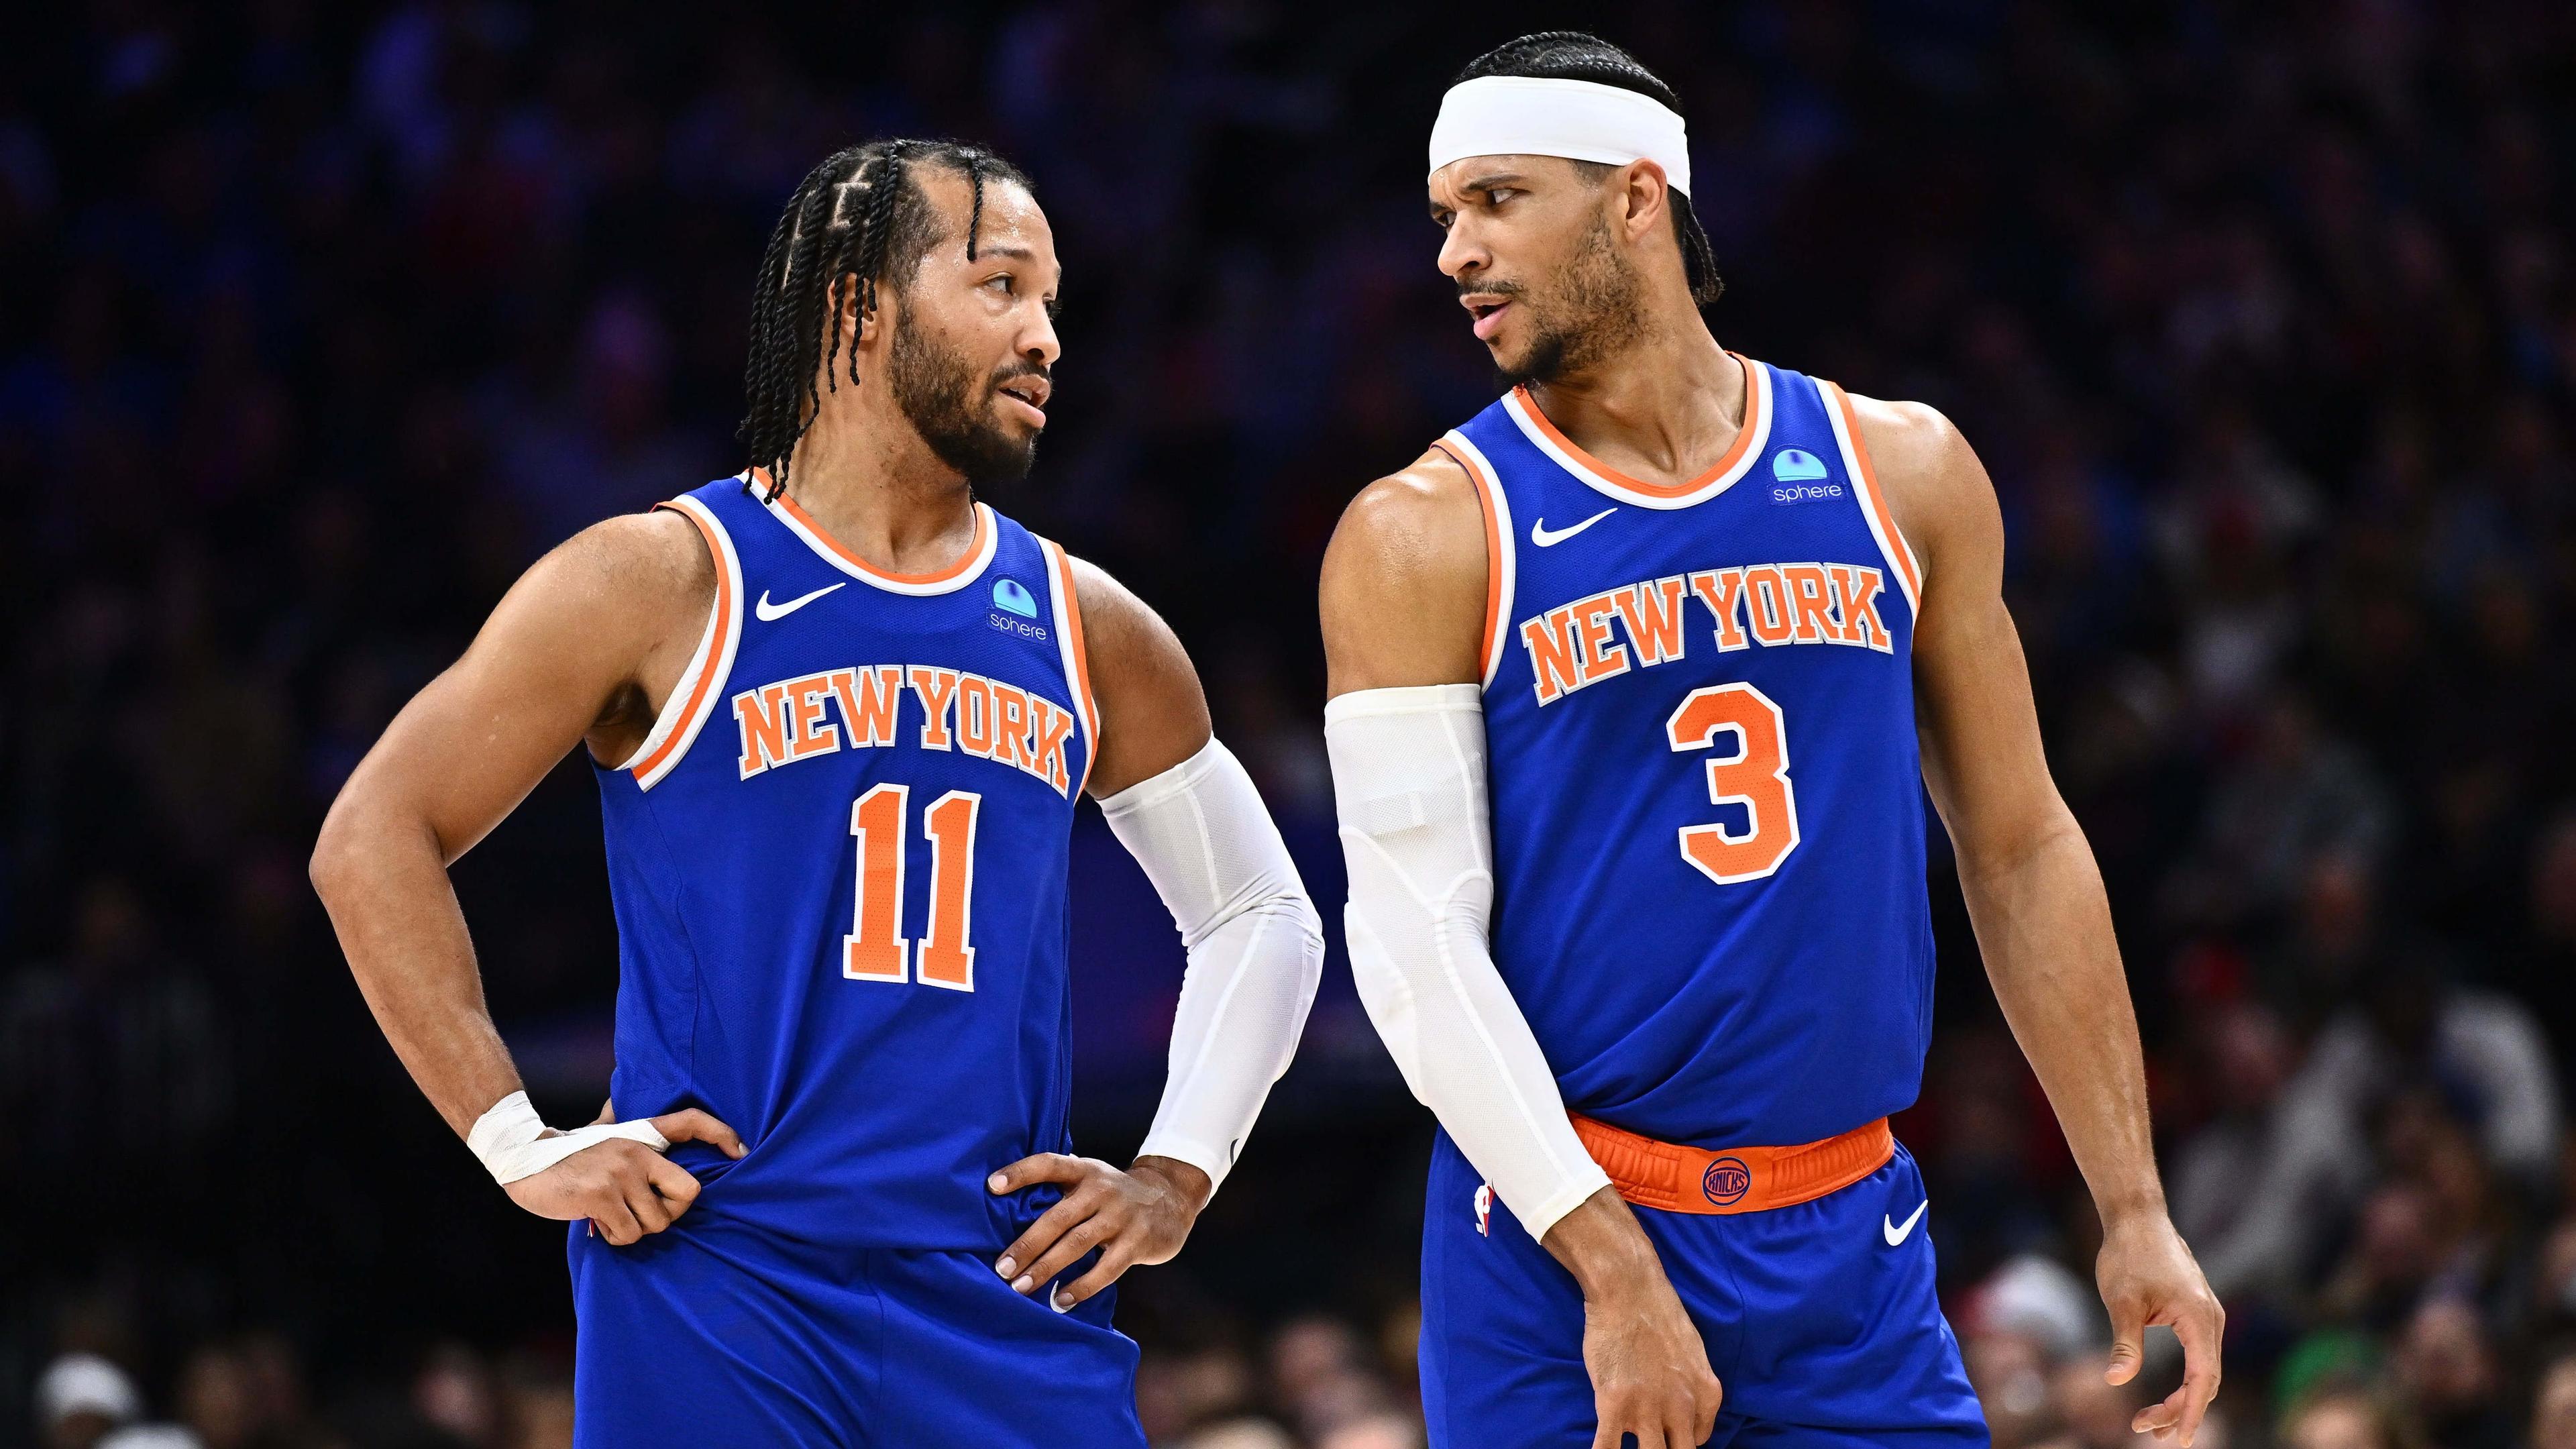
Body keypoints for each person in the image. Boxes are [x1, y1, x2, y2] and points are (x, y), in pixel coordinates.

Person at [312, 138, 1326, 1447]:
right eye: (1004, 287)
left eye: (1054, 302)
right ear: (860, 309)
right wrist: (514, 1139)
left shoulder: (1089, 626)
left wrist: (1177, 1173)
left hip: (1001, 1287)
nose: (1046, 338)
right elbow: (373, 836)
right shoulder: (663, 581)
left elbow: (1262, 913)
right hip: (724, 1282)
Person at [1318, 33, 2223, 1449]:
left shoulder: (1899, 468)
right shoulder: (1423, 530)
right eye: (1444, 218)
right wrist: (1612, 1270)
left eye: (1495, 200)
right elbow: (1411, 944)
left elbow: (2021, 840)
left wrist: (2131, 1205)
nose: (1454, 255)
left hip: (1846, 1238)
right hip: (1556, 1246)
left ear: (1633, 198)